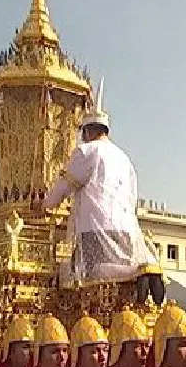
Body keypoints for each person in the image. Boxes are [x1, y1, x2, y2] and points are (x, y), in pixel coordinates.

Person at [41, 79, 165, 305]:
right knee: (118, 286)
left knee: (96, 277)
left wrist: (44, 205)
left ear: (87, 131)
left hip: (95, 227)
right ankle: (143, 267)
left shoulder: (86, 151)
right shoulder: (124, 158)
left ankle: (139, 271)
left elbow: (62, 187)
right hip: (126, 229)